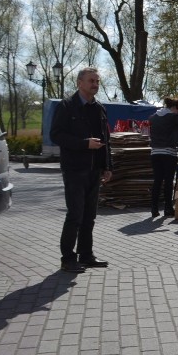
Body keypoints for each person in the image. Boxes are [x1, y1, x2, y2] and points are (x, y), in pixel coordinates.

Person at [50, 67, 113, 273]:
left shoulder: (99, 108)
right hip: (75, 169)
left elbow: (106, 140)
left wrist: (107, 166)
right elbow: (56, 135)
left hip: (94, 170)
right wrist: (84, 144)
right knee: (75, 215)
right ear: (79, 83)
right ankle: (68, 258)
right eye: (91, 81)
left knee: (89, 216)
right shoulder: (67, 106)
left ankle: (86, 255)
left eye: (97, 81)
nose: (95, 84)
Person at [149, 98, 178, 218]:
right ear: (175, 108)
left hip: (155, 152)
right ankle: (168, 208)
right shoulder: (173, 117)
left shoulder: (153, 117)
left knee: (157, 181)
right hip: (169, 153)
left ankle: (154, 209)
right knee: (169, 182)